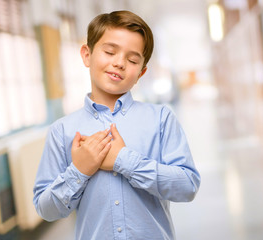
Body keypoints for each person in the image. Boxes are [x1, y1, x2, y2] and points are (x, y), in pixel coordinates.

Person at [33, 10, 200, 240]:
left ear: (141, 72)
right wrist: (79, 170)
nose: (119, 63)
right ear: (86, 55)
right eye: (110, 51)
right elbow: (46, 209)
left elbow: (187, 186)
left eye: (132, 60)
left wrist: (123, 160)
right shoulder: (62, 131)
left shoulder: (161, 119)